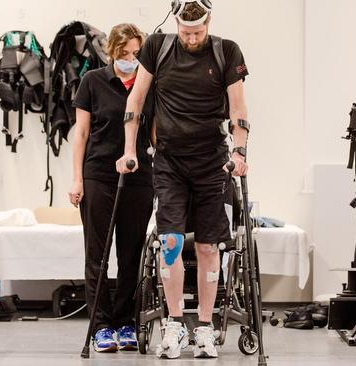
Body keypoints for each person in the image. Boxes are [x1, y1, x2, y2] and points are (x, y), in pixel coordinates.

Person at [116, 0, 249, 359]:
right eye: (185, 31)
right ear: (175, 21)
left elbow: (237, 108)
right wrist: (129, 149)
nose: (191, 38)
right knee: (170, 242)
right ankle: (173, 324)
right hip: (170, 161)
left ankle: (204, 327)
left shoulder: (226, 51)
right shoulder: (157, 48)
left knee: (208, 247)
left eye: (198, 31)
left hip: (212, 162)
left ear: (209, 22)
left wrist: (240, 152)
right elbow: (137, 99)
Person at [69, 24, 154, 353]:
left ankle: (125, 322)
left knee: (131, 253)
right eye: (124, 54)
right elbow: (80, 135)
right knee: (98, 255)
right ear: (112, 53)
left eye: (136, 54)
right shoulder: (92, 81)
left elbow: (157, 132)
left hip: (139, 178)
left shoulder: (149, 84)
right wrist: (76, 179)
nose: (131, 59)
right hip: (98, 176)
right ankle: (102, 326)